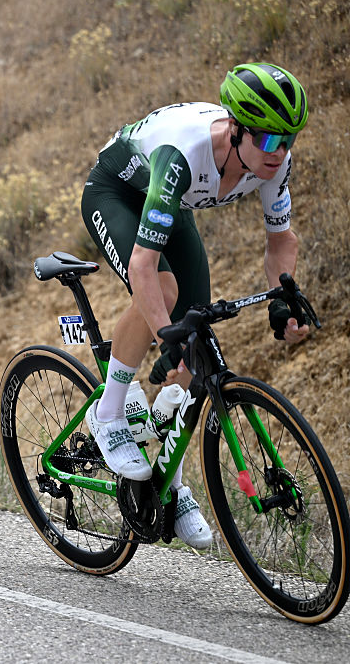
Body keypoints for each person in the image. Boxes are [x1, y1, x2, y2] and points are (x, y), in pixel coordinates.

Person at [80, 63, 310, 548]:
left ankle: (171, 482)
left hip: (171, 205)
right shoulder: (185, 154)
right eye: (269, 139)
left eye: (288, 140)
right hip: (117, 192)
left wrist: (284, 298)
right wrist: (165, 334)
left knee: (196, 338)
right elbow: (143, 266)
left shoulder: (273, 162)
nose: (279, 151)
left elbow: (281, 240)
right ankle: (109, 412)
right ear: (236, 130)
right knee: (164, 295)